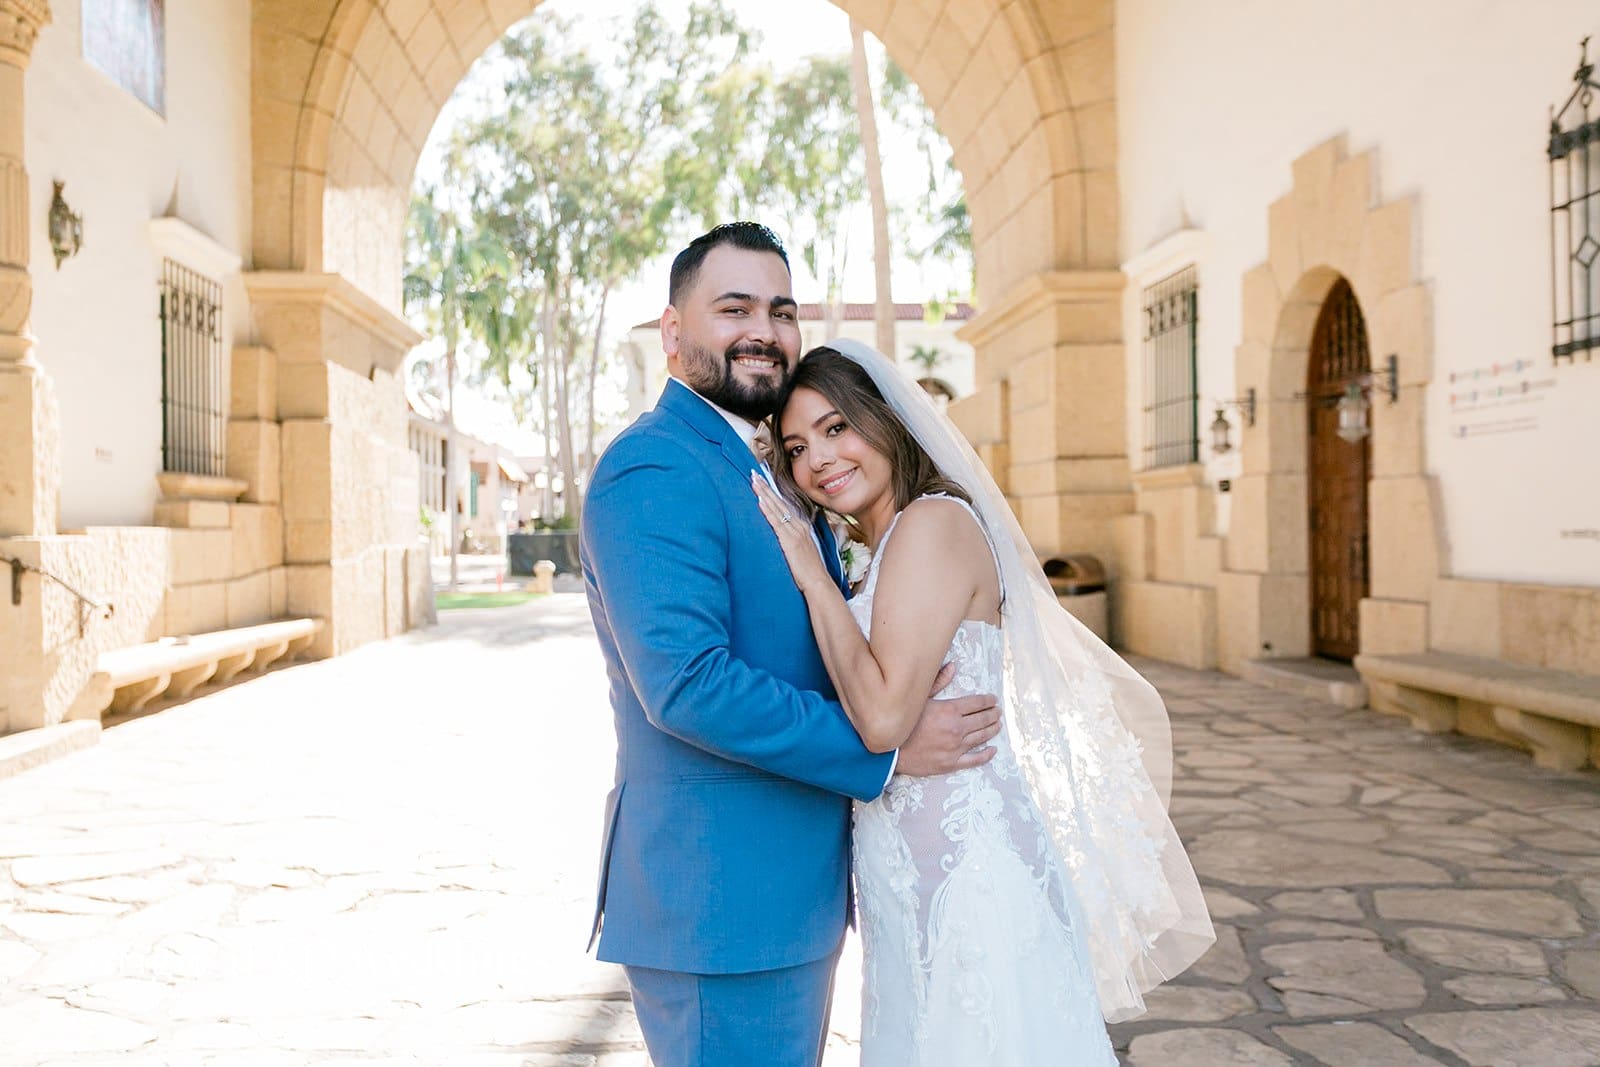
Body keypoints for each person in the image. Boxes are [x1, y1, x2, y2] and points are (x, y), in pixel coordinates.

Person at [579, 223, 1005, 1067]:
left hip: (785, 898)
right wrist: (886, 751)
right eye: (734, 308)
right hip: (720, 903)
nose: (764, 330)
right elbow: (688, 682)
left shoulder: (767, 470)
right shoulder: (656, 467)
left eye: (781, 310)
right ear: (673, 332)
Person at [751, 341, 1216, 1065]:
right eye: (797, 447)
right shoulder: (884, 547)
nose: (819, 459)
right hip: (910, 883)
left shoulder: (931, 524)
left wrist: (814, 579)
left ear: (885, 419)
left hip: (973, 885)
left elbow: (882, 717)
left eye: (837, 427)